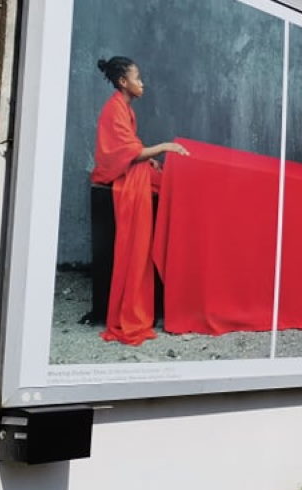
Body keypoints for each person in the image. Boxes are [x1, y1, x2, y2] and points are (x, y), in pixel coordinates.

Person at [92, 56, 188, 345]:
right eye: (138, 78)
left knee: (172, 183)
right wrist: (164, 148)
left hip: (131, 170)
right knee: (160, 193)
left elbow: (130, 148)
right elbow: (125, 153)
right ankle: (132, 312)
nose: (142, 83)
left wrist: (151, 159)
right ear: (124, 82)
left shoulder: (123, 108)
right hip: (121, 178)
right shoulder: (114, 109)